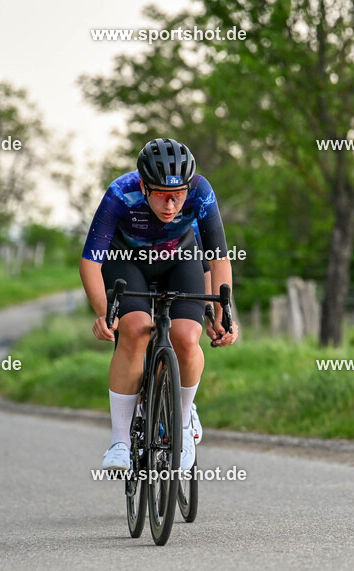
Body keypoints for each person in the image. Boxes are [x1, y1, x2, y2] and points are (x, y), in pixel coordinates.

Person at [78, 138, 238, 472]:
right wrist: (102, 313)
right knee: (135, 329)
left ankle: (181, 424)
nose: (170, 204)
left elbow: (219, 259)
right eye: (161, 195)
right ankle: (120, 441)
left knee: (186, 336)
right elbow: (91, 263)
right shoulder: (120, 194)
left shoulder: (201, 190)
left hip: (182, 259)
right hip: (128, 261)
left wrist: (223, 317)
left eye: (178, 194)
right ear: (143, 186)